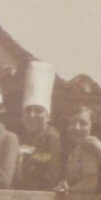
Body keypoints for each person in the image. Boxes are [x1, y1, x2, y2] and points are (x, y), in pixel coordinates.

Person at [15, 61, 64, 192]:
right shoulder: (23, 137)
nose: (32, 115)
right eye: (28, 110)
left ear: (48, 116)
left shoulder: (51, 138)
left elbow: (48, 178)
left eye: (38, 110)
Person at [56, 106, 101, 195]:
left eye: (83, 123)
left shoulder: (90, 147)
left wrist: (68, 192)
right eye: (72, 123)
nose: (76, 127)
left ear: (91, 125)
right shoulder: (75, 148)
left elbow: (90, 184)